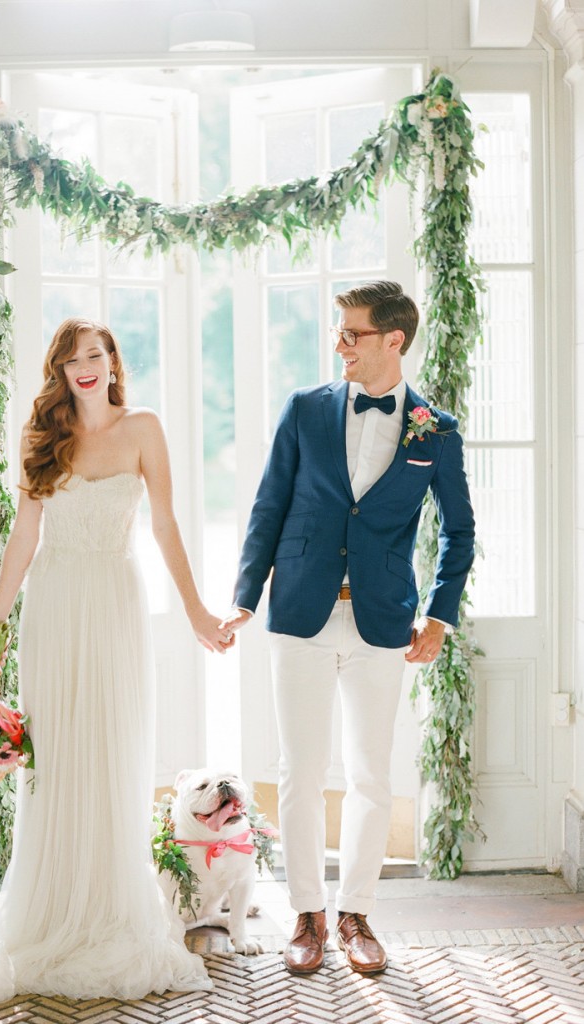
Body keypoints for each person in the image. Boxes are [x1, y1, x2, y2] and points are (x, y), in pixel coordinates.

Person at [0, 317, 233, 1002]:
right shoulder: (43, 436)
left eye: (96, 355)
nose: (85, 367)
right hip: (53, 604)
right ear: (59, 369)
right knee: (57, 755)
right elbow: (25, 535)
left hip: (113, 597)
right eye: (73, 358)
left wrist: (197, 610)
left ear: (113, 362)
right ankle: (52, 907)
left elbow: (165, 523)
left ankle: (107, 907)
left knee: (110, 746)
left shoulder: (143, 428)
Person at [220, 281, 474, 976]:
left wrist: (439, 614)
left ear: (393, 340)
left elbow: (458, 530)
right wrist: (246, 596)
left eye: (352, 332)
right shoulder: (304, 410)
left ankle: (356, 912)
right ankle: (305, 913)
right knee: (298, 772)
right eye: (337, 330)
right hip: (300, 612)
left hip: (382, 621)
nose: (338, 343)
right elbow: (268, 506)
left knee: (368, 775)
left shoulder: (435, 430)